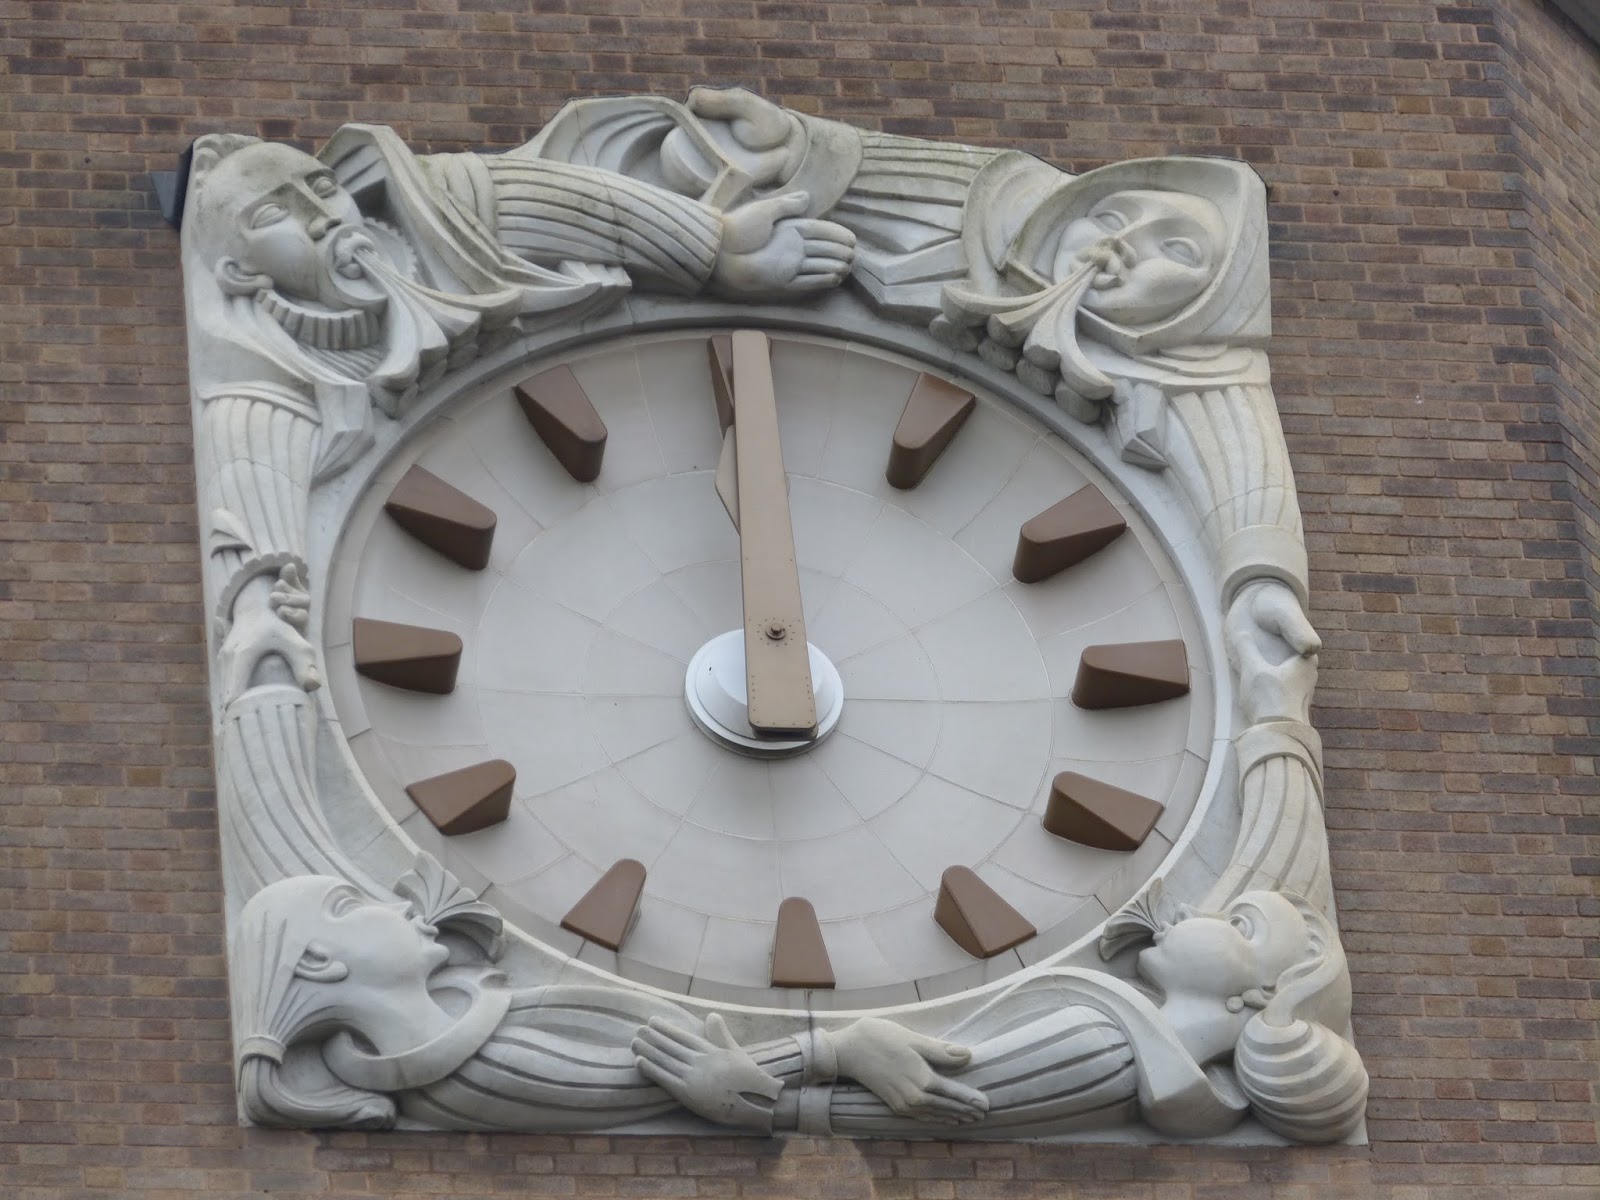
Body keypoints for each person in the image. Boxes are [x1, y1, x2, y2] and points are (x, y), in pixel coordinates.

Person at [230, 875, 1364, 1142]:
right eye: (349, 902)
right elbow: (693, 1080)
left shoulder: (1115, 1035)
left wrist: (834, 1054)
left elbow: (688, 1076)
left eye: (1246, 928)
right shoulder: (463, 1058)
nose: (391, 900)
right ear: (323, 973)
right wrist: (839, 1048)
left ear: (1259, 994)